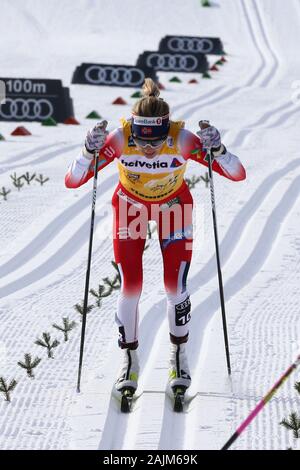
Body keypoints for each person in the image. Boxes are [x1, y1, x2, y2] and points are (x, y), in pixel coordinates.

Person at [65, 78, 246, 395]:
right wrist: (87, 151)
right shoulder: (120, 139)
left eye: (157, 141)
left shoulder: (182, 139)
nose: (149, 149)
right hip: (129, 207)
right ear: (132, 129)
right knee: (131, 286)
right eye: (143, 141)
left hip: (173, 206)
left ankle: (179, 356)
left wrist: (218, 149)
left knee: (175, 287)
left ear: (168, 129)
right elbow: (73, 180)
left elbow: (236, 173)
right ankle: (130, 362)